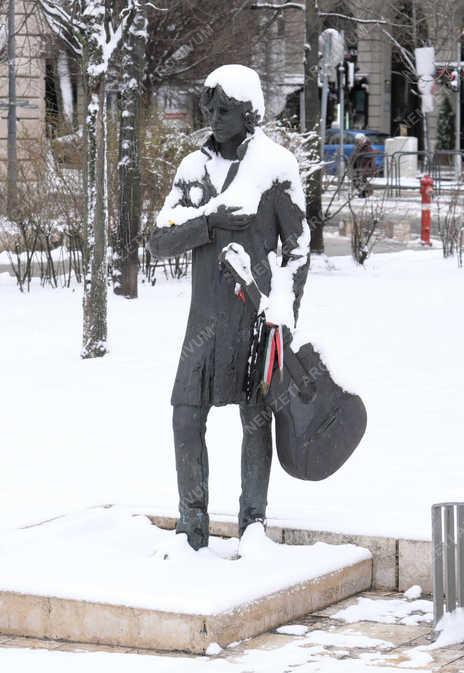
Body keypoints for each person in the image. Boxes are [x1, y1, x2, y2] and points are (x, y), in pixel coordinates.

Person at [148, 65, 309, 551]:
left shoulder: (275, 168)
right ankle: (191, 526)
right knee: (184, 413)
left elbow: (299, 248)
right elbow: (158, 241)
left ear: (248, 112)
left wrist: (286, 307)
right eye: (209, 109)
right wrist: (209, 220)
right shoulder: (192, 170)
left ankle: (252, 525)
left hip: (256, 319)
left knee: (255, 418)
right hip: (204, 323)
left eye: (224, 110)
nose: (214, 119)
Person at [351, 133, 376, 198]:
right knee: (356, 179)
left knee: (361, 179)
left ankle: (367, 192)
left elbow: (368, 157)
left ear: (362, 140)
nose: (357, 142)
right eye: (356, 141)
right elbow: (354, 156)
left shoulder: (367, 147)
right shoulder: (358, 147)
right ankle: (364, 192)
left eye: (358, 140)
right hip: (359, 167)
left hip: (367, 167)